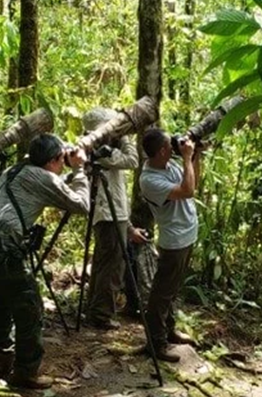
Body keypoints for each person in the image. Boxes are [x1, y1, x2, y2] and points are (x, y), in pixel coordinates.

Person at [0, 134, 89, 389]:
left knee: (5, 297)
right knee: (29, 305)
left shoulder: (15, 170)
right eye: (61, 159)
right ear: (53, 160)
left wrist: (71, 173)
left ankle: (2, 359)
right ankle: (26, 372)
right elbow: (82, 204)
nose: (64, 163)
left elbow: (51, 186)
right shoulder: (44, 177)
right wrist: (81, 169)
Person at [82, 108, 149, 330]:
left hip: (111, 213)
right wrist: (125, 135)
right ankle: (102, 314)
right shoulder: (102, 152)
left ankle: (95, 309)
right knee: (112, 266)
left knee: (104, 263)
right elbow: (132, 160)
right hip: (109, 214)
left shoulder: (101, 151)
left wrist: (129, 227)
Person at [138, 127, 200, 363]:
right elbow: (187, 190)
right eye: (169, 146)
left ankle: (169, 330)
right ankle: (156, 343)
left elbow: (193, 184)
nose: (174, 147)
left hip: (187, 235)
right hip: (174, 240)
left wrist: (195, 157)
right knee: (161, 294)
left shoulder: (169, 166)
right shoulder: (149, 179)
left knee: (171, 289)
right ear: (163, 151)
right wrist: (186, 158)